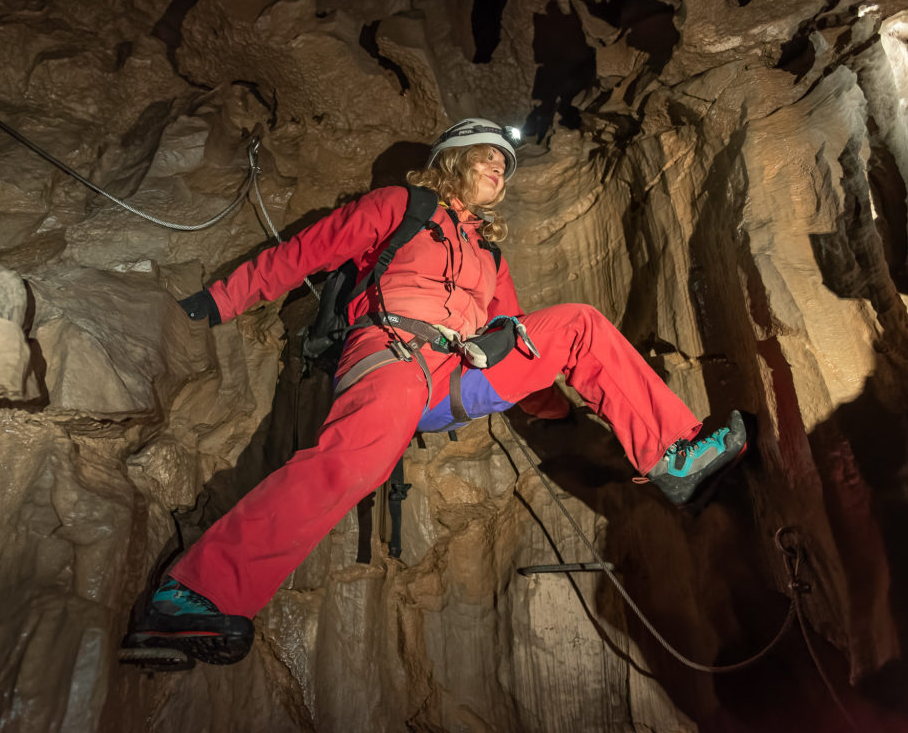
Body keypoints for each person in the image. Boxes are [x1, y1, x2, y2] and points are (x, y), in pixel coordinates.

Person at [127, 118, 747, 665]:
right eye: (486, 155)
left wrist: (550, 409)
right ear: (451, 159)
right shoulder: (401, 206)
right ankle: (194, 595)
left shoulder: (490, 257)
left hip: (460, 371)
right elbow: (301, 255)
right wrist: (214, 303)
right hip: (391, 353)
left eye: (504, 164)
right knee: (353, 463)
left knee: (579, 322)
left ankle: (674, 456)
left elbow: (519, 336)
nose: (497, 167)